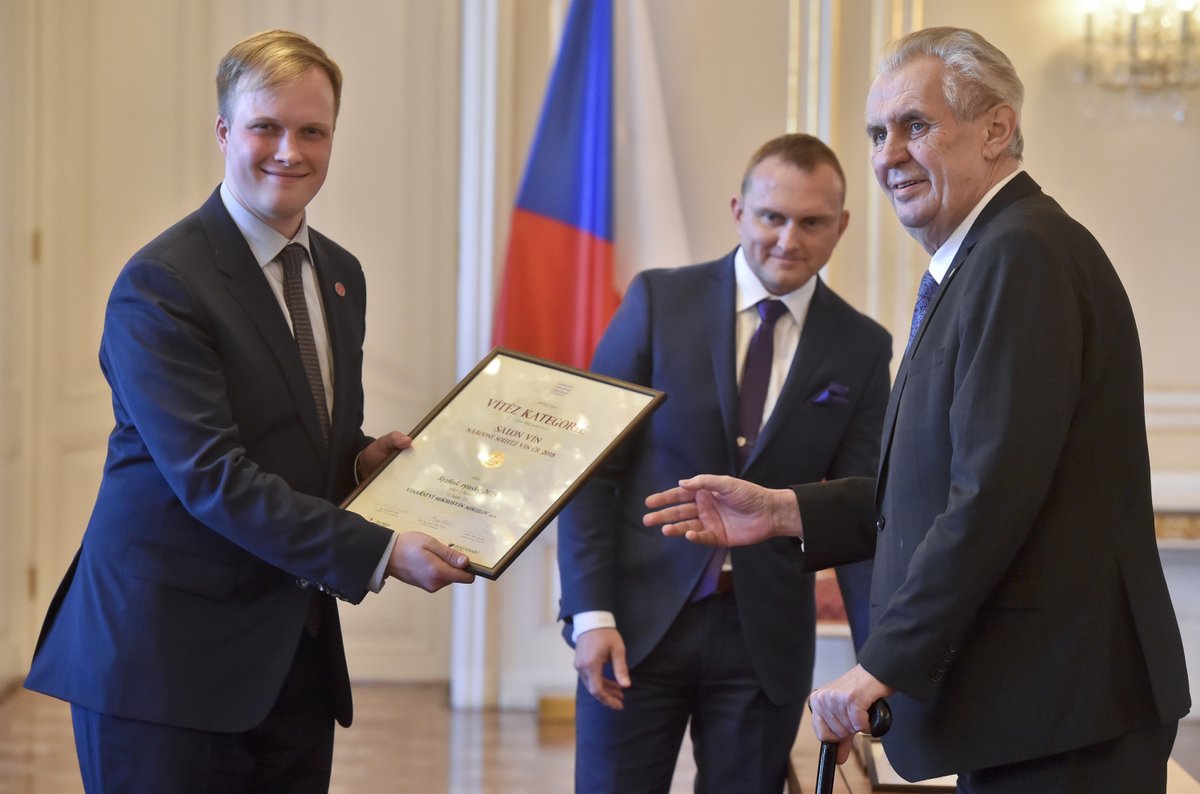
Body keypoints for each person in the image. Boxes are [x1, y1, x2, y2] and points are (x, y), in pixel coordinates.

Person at [643, 27, 1191, 794]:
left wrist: (883, 662)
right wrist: (782, 510)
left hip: (1065, 708)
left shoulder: (1022, 254)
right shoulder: (984, 257)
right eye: (876, 133)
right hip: (1037, 706)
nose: (887, 154)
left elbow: (993, 495)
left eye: (915, 125)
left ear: (996, 129)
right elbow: (931, 481)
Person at [24, 29, 475, 793]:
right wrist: (380, 548)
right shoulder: (163, 285)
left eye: (313, 130)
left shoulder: (339, 275)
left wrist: (361, 463)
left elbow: (295, 432)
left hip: (288, 654)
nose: (289, 151)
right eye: (266, 127)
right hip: (166, 667)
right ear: (225, 130)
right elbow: (213, 477)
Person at [557, 133, 892, 793]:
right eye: (772, 217)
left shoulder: (861, 346)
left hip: (763, 639)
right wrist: (591, 614)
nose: (788, 238)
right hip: (637, 626)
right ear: (740, 210)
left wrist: (873, 662)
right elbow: (591, 470)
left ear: (841, 227)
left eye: (812, 222)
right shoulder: (658, 303)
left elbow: (861, 515)